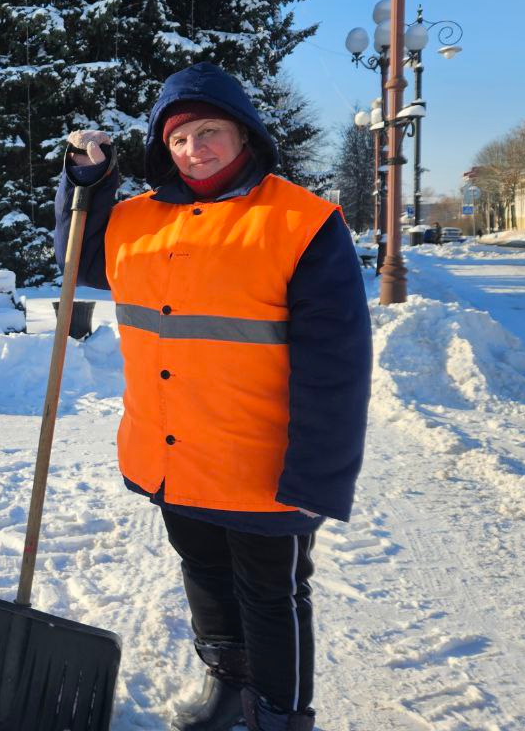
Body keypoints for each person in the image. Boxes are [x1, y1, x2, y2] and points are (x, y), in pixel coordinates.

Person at [56, 63, 371, 731]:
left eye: (209, 132)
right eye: (178, 139)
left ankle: (278, 717)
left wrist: (317, 472)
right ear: (161, 149)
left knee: (271, 594)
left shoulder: (302, 222)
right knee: (202, 570)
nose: (194, 149)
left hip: (264, 466)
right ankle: (228, 687)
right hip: (172, 452)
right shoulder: (137, 221)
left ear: (244, 134)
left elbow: (337, 366)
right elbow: (80, 261)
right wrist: (87, 184)